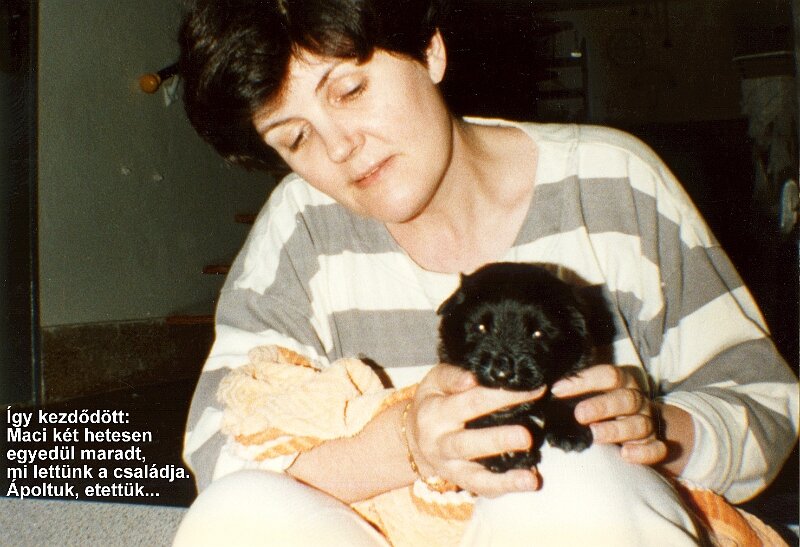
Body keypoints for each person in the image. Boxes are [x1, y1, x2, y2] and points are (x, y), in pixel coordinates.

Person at [172, 1, 799, 545]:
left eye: (351, 90)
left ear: (430, 50)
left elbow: (767, 407)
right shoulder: (300, 230)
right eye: (295, 138)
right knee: (236, 513)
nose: (340, 146)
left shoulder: (611, 182)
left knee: (567, 472)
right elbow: (216, 453)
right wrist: (407, 447)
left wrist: (655, 429)